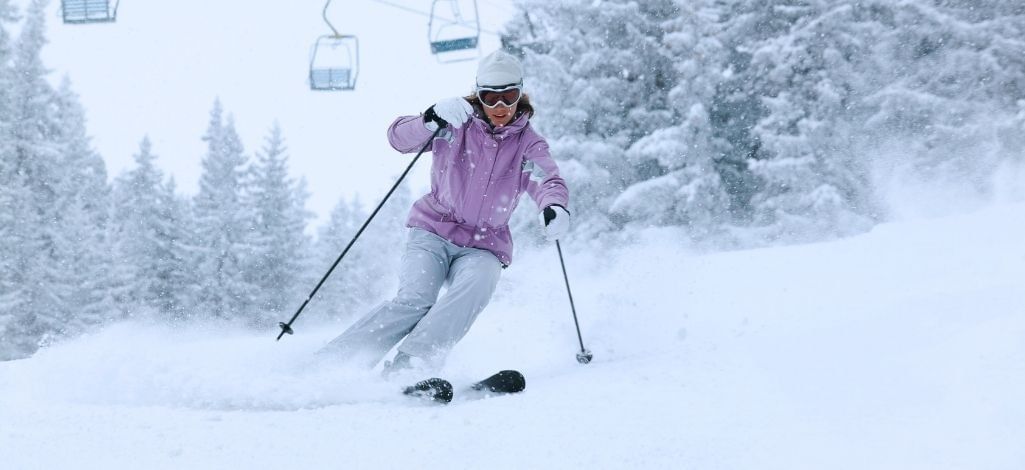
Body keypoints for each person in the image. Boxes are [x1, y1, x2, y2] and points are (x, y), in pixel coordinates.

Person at [321, 50, 570, 375]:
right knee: (415, 300)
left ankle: (409, 366)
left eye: (508, 96)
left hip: (484, 244)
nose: (499, 107)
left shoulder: (528, 144)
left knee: (476, 287)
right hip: (433, 231)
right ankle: (334, 364)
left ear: (520, 95)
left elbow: (546, 178)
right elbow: (399, 139)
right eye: (490, 97)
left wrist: (554, 205)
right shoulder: (456, 122)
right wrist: (429, 119)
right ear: (478, 94)